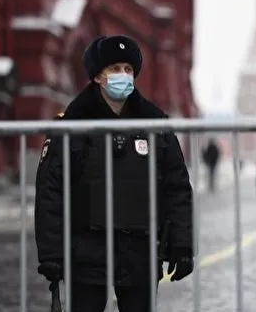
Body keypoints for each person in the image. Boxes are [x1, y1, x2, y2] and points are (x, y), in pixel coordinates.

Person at [34, 35, 194, 312]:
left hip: (140, 251)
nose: (123, 76)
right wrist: (51, 253)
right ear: (97, 76)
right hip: (86, 250)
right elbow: (51, 189)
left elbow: (176, 185)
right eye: (115, 69)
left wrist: (182, 245)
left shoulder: (154, 123)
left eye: (128, 70)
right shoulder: (73, 123)